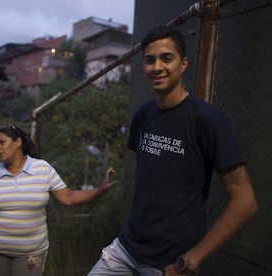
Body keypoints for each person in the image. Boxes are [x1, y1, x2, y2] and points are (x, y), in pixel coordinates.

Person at [88, 25, 258, 276]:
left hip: (168, 264)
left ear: (184, 64)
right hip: (124, 251)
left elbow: (245, 201)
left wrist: (190, 261)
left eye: (166, 58)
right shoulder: (142, 116)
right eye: (150, 60)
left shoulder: (208, 120)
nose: (157, 67)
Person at [0, 125, 117, 276]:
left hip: (31, 253)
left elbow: (69, 197)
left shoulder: (43, 170)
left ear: (18, 142)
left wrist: (99, 190)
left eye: (2, 142)